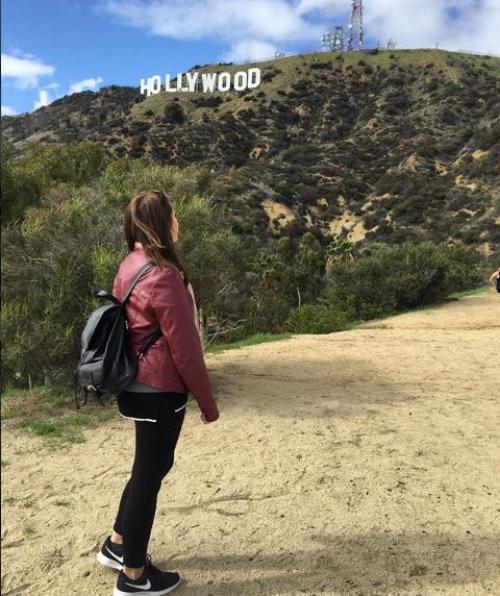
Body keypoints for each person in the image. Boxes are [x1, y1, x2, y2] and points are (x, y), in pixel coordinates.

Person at [96, 190, 220, 596]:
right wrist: (207, 401)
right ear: (163, 223)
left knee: (149, 468)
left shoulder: (131, 263)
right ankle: (134, 577)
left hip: (134, 385)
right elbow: (186, 349)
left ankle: (117, 544)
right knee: (149, 476)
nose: (178, 222)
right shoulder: (164, 275)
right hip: (159, 391)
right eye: (174, 216)